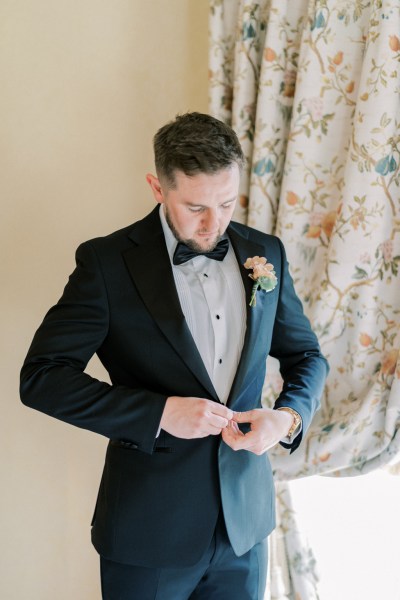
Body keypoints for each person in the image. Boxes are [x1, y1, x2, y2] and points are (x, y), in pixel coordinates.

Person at [20, 112, 328, 599]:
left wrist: (287, 418)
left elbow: (307, 356)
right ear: (157, 187)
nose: (214, 223)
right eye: (196, 207)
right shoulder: (106, 264)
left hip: (245, 530)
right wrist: (159, 412)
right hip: (149, 530)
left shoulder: (266, 252)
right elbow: (42, 377)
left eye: (227, 203)